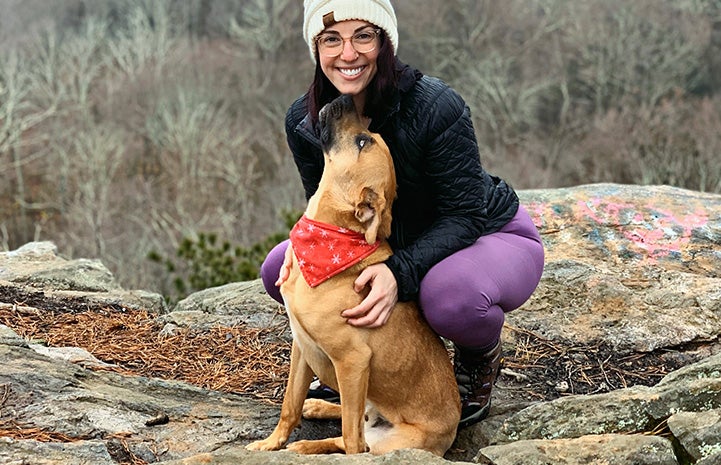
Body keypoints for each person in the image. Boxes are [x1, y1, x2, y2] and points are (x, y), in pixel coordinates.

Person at [260, 0, 545, 429]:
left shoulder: (436, 106)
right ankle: (356, 374)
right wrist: (304, 250)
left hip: (487, 235)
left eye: (364, 36)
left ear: (385, 42)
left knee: (449, 296)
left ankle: (478, 358)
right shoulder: (306, 120)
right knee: (278, 268)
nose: (348, 54)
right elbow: (326, 207)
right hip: (391, 243)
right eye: (331, 39)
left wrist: (398, 271)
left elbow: (464, 215)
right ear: (316, 48)